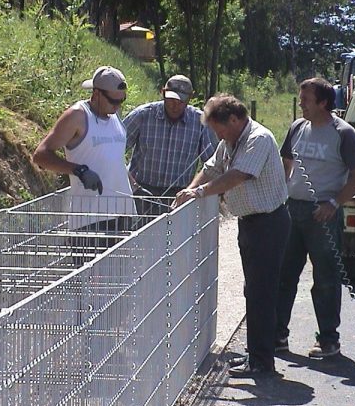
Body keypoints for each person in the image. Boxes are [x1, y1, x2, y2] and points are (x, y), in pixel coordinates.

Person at [173, 94, 290, 377]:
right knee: (253, 291)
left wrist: (200, 192)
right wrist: (190, 191)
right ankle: (256, 355)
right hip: (251, 223)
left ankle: (262, 362)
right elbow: (211, 168)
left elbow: (238, 175)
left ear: (235, 119)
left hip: (268, 223)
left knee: (261, 292)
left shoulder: (258, 139)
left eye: (220, 129)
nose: (218, 135)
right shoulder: (230, 141)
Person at [275, 77, 355, 358]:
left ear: (323, 103)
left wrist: (334, 203)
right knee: (284, 275)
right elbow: (286, 163)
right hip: (293, 210)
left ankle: (328, 340)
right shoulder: (297, 128)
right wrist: (283, 194)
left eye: (306, 99)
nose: (300, 103)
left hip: (323, 215)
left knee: (326, 279)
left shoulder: (343, 133)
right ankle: (278, 335)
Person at [32, 66, 136, 262]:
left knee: (118, 287)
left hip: (121, 214)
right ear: (96, 93)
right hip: (90, 221)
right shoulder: (77, 116)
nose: (118, 106)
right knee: (89, 288)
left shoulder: (113, 116)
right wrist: (78, 170)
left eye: (122, 100)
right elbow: (41, 155)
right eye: (114, 100)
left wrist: (131, 182)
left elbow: (113, 158)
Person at [123, 75, 217, 201]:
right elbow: (113, 149)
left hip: (180, 195)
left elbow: (212, 163)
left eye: (181, 101)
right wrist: (133, 185)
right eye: (171, 99)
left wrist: (195, 190)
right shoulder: (143, 115)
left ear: (190, 98)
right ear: (163, 93)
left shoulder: (200, 122)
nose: (175, 105)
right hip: (141, 192)